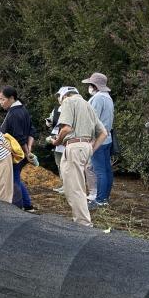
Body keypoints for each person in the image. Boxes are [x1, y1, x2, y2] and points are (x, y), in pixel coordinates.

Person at [50, 86, 108, 227]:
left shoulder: (68, 101)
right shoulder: (88, 105)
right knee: (77, 186)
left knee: (73, 188)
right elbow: (104, 133)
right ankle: (82, 220)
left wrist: (57, 141)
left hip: (74, 146)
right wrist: (91, 149)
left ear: (64, 95)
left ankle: (83, 223)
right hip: (85, 146)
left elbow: (67, 128)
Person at [0, 86, 36, 211]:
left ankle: (18, 207)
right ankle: (27, 205)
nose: (1, 102)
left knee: (13, 180)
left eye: (3, 99)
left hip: (16, 153)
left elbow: (19, 136)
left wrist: (26, 152)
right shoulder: (23, 110)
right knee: (16, 178)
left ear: (11, 98)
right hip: (22, 152)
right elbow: (32, 131)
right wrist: (29, 149)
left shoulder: (14, 113)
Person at [82, 72, 115, 208]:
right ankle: (105, 197)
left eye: (90, 84)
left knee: (100, 170)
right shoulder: (108, 97)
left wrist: (88, 139)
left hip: (98, 139)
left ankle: (100, 200)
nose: (89, 87)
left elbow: (92, 120)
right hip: (107, 138)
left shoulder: (98, 98)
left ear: (95, 85)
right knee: (106, 169)